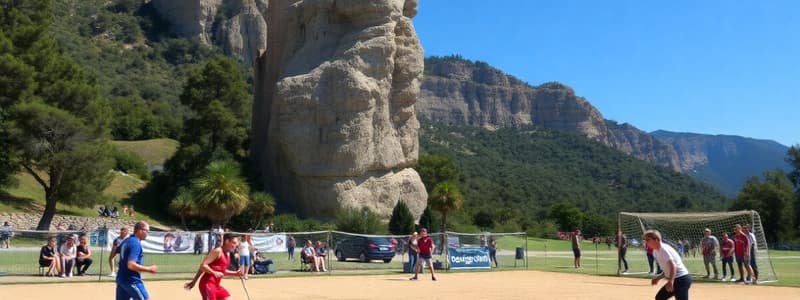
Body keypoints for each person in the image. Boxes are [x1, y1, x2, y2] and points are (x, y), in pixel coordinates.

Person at [184, 233, 243, 300]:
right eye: (234, 243)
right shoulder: (217, 251)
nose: (235, 245)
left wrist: (235, 274)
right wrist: (214, 273)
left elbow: (222, 271)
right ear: (227, 241)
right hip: (207, 284)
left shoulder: (228, 254)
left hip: (216, 285)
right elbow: (203, 266)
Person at [644, 230, 691, 300]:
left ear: (656, 240)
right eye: (645, 240)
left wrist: (671, 281)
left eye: (648, 240)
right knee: (659, 297)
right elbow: (667, 268)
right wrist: (658, 278)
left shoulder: (663, 249)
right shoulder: (655, 251)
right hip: (676, 279)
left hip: (681, 279)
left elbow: (673, 266)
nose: (646, 242)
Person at [116, 221, 158, 300]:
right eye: (147, 231)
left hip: (121, 279)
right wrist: (149, 269)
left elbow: (115, 251)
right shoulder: (135, 243)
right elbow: (131, 265)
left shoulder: (126, 241)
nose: (147, 233)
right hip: (132, 280)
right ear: (140, 230)